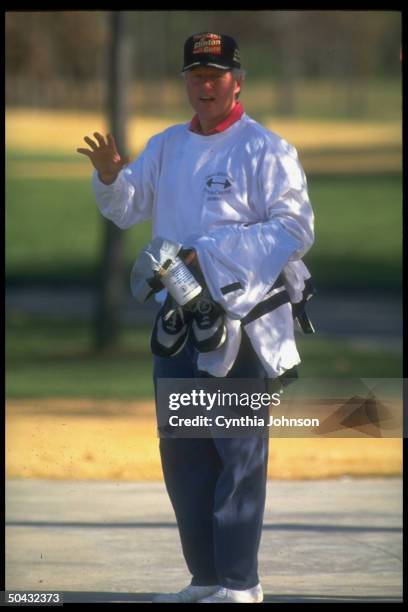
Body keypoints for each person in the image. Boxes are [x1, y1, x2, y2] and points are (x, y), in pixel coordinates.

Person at [77, 32, 314, 604]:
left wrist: (207, 254)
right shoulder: (166, 146)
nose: (205, 86)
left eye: (215, 75)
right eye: (195, 75)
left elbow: (295, 230)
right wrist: (110, 176)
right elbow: (128, 205)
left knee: (237, 451)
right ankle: (205, 577)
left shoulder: (267, 149)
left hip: (243, 321)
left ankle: (240, 583)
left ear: (238, 80)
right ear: (186, 80)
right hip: (177, 322)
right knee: (182, 450)